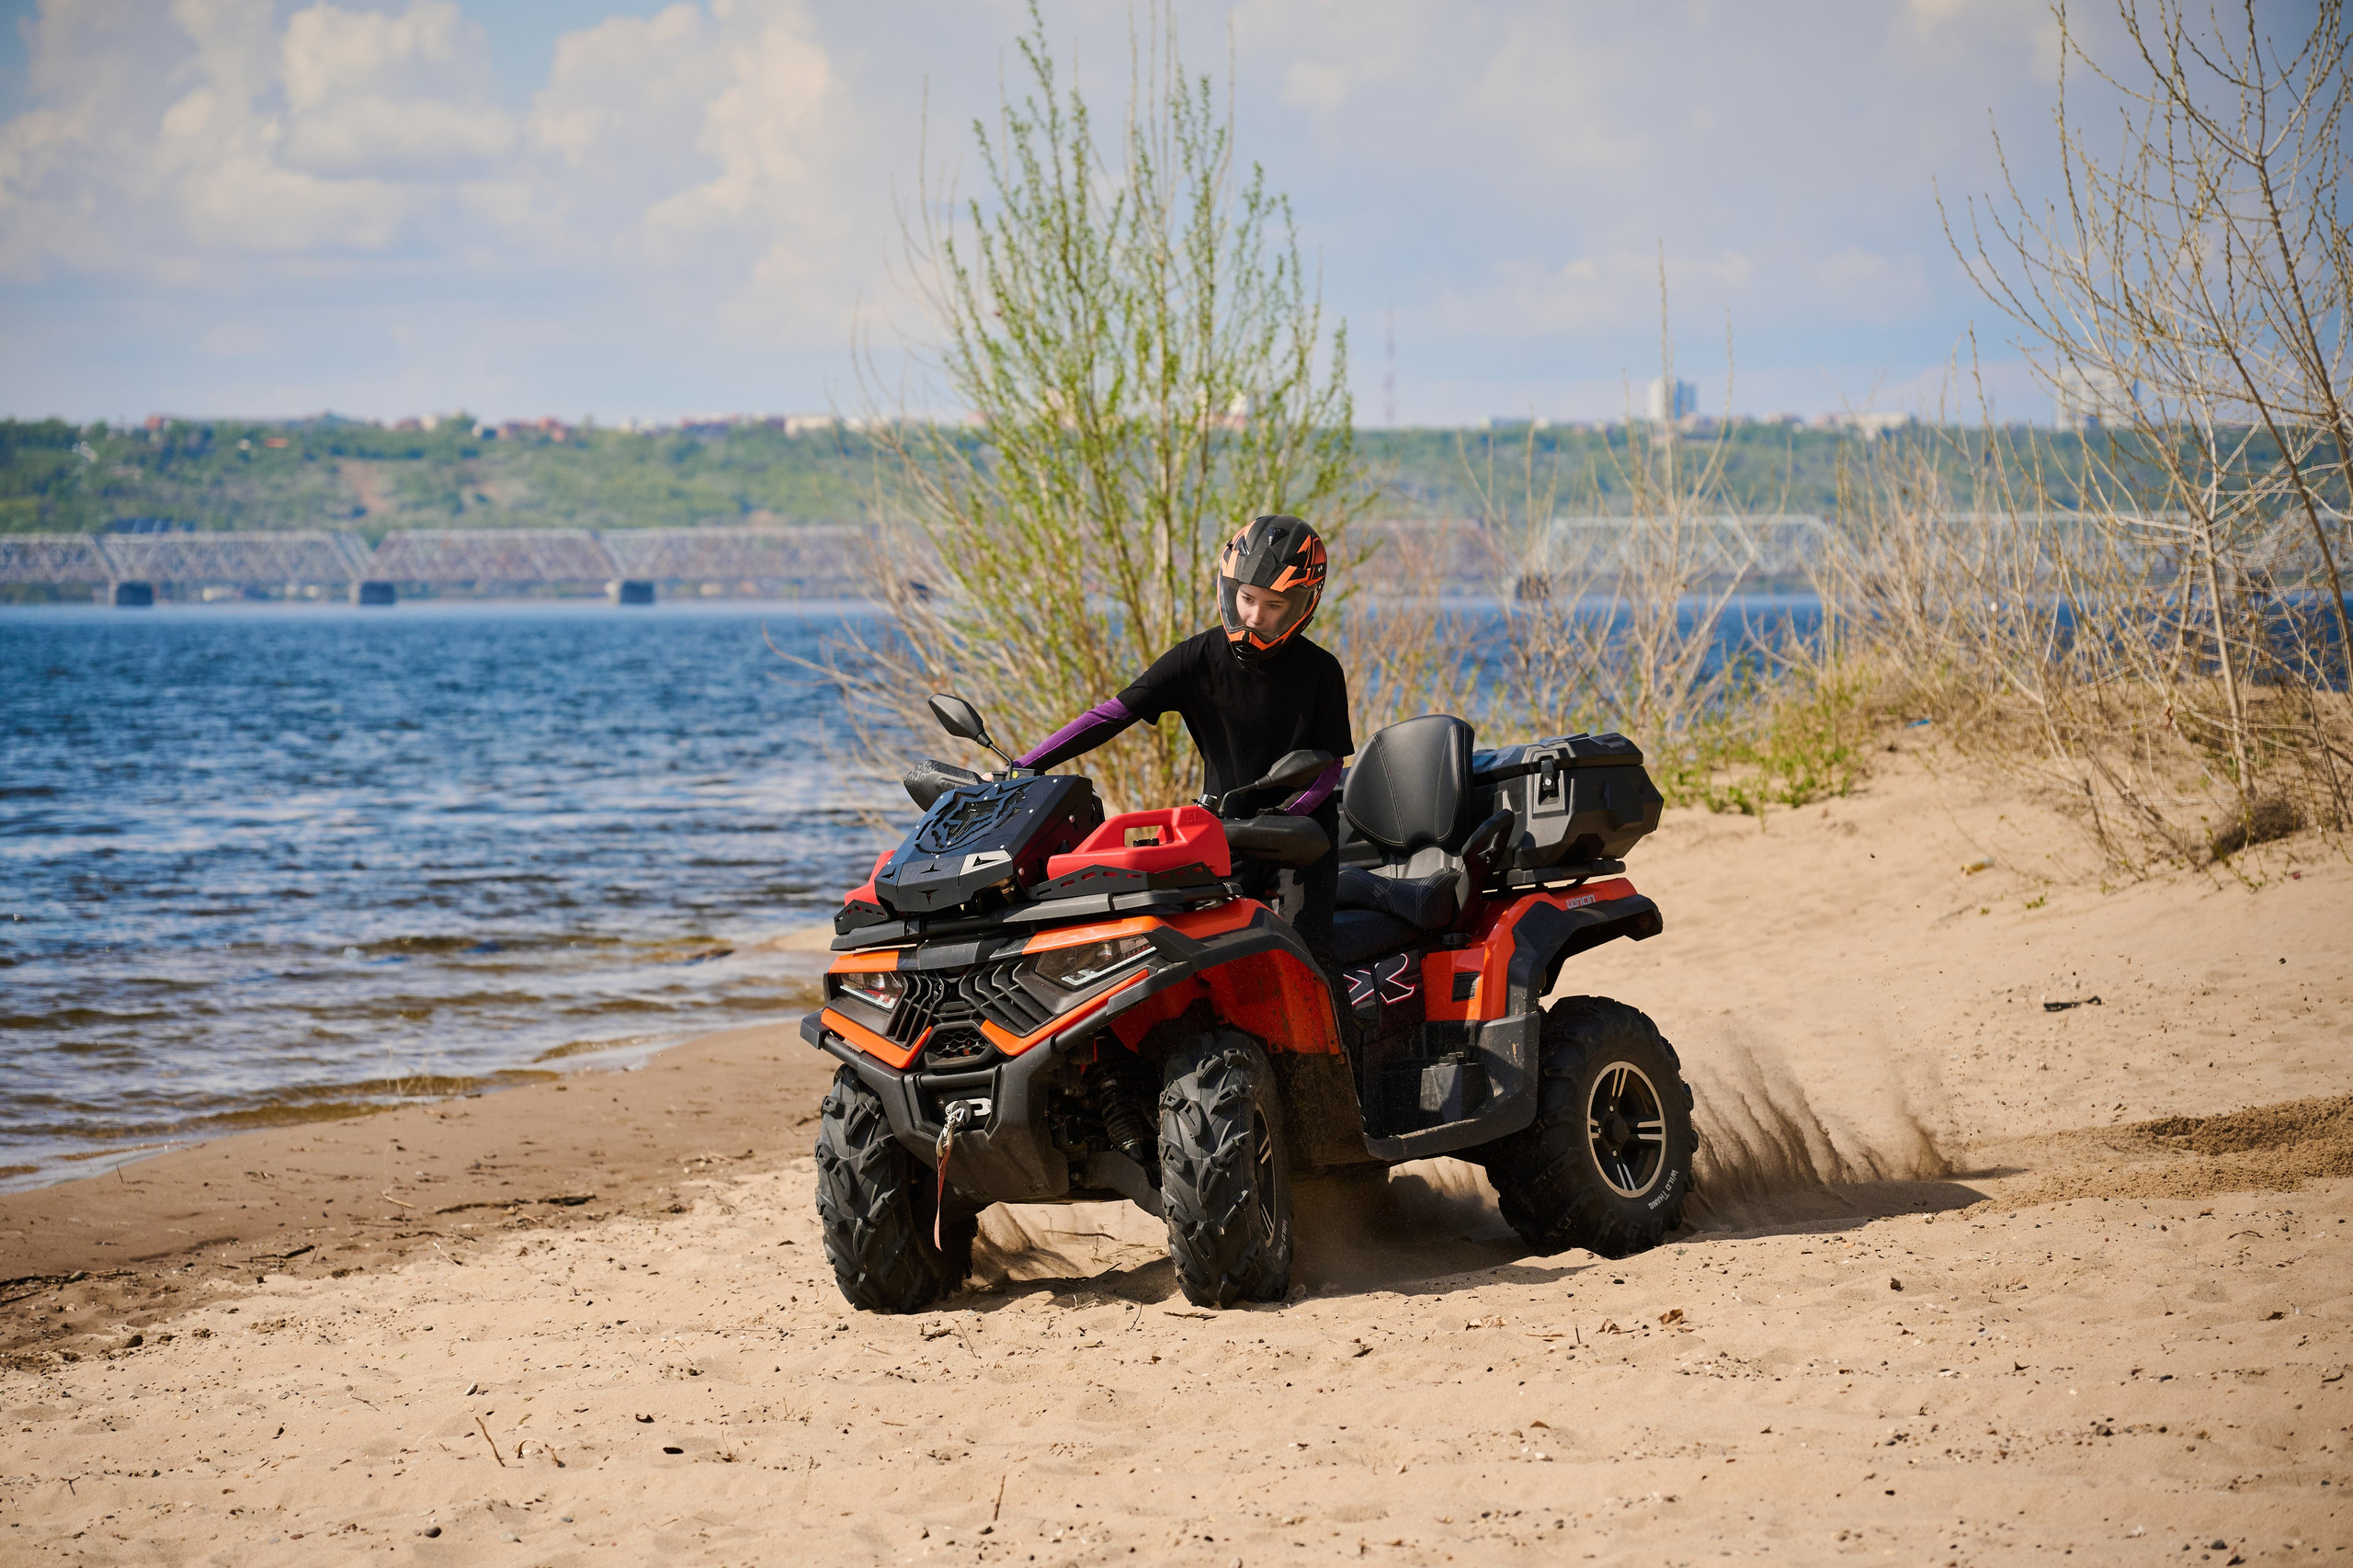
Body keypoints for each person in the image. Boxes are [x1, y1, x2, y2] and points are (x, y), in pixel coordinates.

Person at [1012, 514, 1354, 1027]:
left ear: (1304, 605)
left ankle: (1342, 1095)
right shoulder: (1197, 658)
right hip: (1225, 834)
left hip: (1302, 843)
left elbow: (1328, 769)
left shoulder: (1321, 672)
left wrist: (1289, 814)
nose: (1256, 615)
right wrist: (1024, 766)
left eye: (1274, 605)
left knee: (1311, 959)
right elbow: (1112, 715)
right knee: (1187, 957)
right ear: (1229, 589)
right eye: (1247, 598)